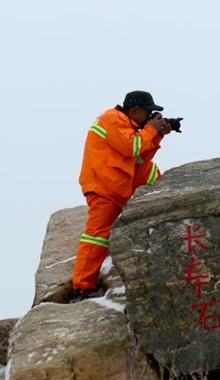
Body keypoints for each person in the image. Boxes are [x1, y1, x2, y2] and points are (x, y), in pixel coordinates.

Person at [70, 90, 172, 301]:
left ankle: (158, 215)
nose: (150, 117)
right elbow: (130, 147)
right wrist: (151, 130)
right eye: (148, 113)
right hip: (103, 187)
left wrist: (158, 134)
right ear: (135, 110)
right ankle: (82, 287)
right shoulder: (112, 118)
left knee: (151, 171)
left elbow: (140, 159)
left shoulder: (130, 126)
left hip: (118, 185)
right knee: (96, 235)